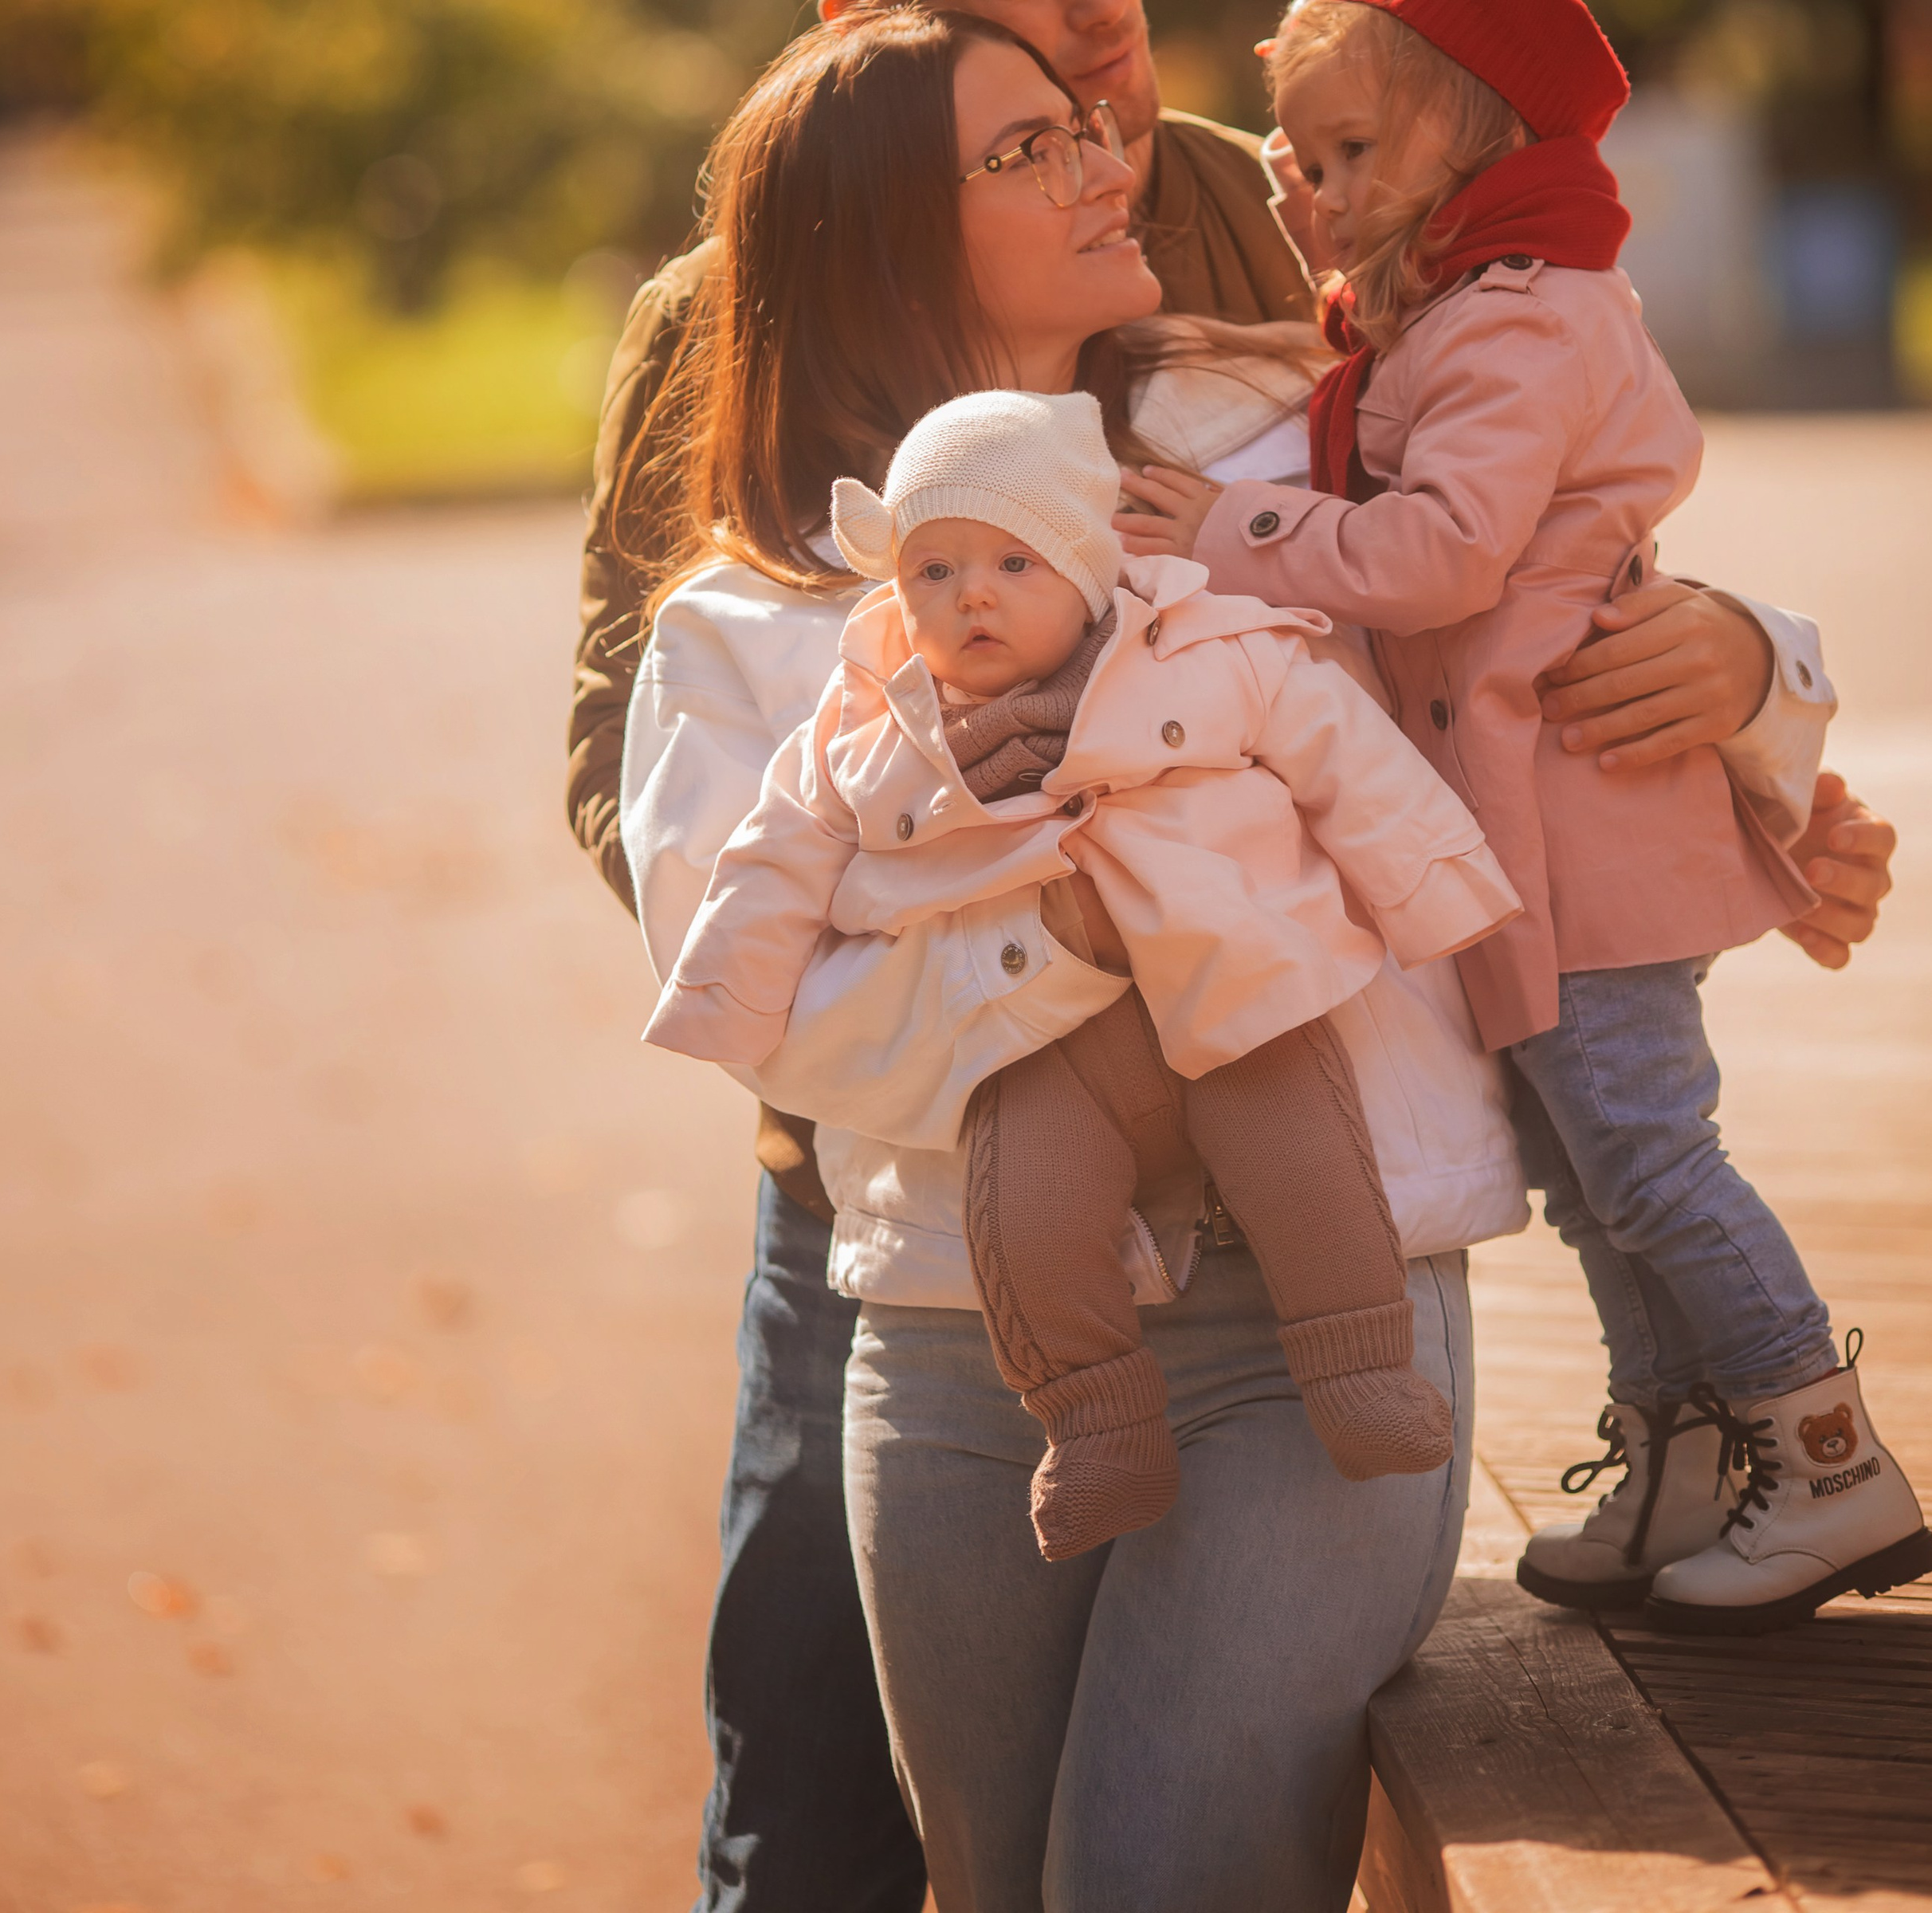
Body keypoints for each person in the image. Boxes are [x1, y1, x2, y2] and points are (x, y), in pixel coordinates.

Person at [567, 0, 1897, 1910]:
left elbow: (1503, 555)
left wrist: (1763, 694)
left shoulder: (1250, 268)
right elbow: (658, 819)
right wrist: (1059, 923)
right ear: (874, 48)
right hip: (900, 1218)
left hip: (1324, 1245)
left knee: (1169, 1850)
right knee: (822, 1817)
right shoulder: (744, 346)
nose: (1102, 24)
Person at [1116, 0, 1932, 1637]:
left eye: (1352, 154)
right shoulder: (1444, 315)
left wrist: (1228, 532)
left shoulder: (1526, 321)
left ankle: (1821, 1447)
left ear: (1483, 148)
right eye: (1302, 157)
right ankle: (1680, 1458)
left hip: (1586, 812)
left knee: (1645, 1154)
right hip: (1523, 833)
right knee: (1581, 1172)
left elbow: (1440, 552)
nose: (1317, 191)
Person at [648, 383, 1521, 1554]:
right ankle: (1099, 1425)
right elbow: (776, 855)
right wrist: (725, 998)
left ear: (1088, 564)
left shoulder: (1207, 647)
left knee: (1309, 1163)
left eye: (1014, 563)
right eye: (935, 573)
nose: (973, 599)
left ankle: (1362, 1369)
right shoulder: (869, 721)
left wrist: (1438, 893)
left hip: (1233, 990)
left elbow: (1347, 756)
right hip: (1041, 1037)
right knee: (1027, 1218)